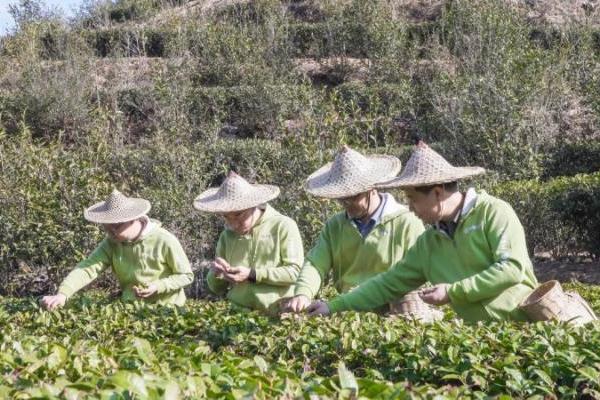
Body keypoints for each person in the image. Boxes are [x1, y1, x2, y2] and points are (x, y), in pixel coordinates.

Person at [307, 141, 539, 322]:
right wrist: (333, 306)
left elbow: (511, 268)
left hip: (525, 328)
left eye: (412, 199)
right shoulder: (429, 242)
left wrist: (453, 292)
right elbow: (387, 283)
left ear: (437, 192)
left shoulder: (493, 212)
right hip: (481, 340)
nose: (409, 207)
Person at [283, 145, 425, 313]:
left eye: (353, 197)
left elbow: (417, 274)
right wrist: (303, 293)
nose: (347, 203)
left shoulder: (406, 222)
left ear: (371, 188)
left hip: (394, 312)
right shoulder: (335, 226)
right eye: (342, 198)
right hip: (347, 310)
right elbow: (316, 264)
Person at [42, 190, 193, 309]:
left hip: (169, 309)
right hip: (130, 309)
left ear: (134, 219)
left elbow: (186, 275)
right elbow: (88, 267)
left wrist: (158, 286)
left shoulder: (164, 240)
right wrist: (63, 294)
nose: (111, 233)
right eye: (107, 228)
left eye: (116, 227)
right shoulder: (112, 243)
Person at [194, 171, 304, 314]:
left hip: (277, 313)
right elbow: (216, 288)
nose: (233, 224)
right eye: (226, 217)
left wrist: (252, 275)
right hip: (236, 315)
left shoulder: (282, 226)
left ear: (254, 205)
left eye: (239, 215)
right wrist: (215, 273)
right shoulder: (226, 236)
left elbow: (295, 273)